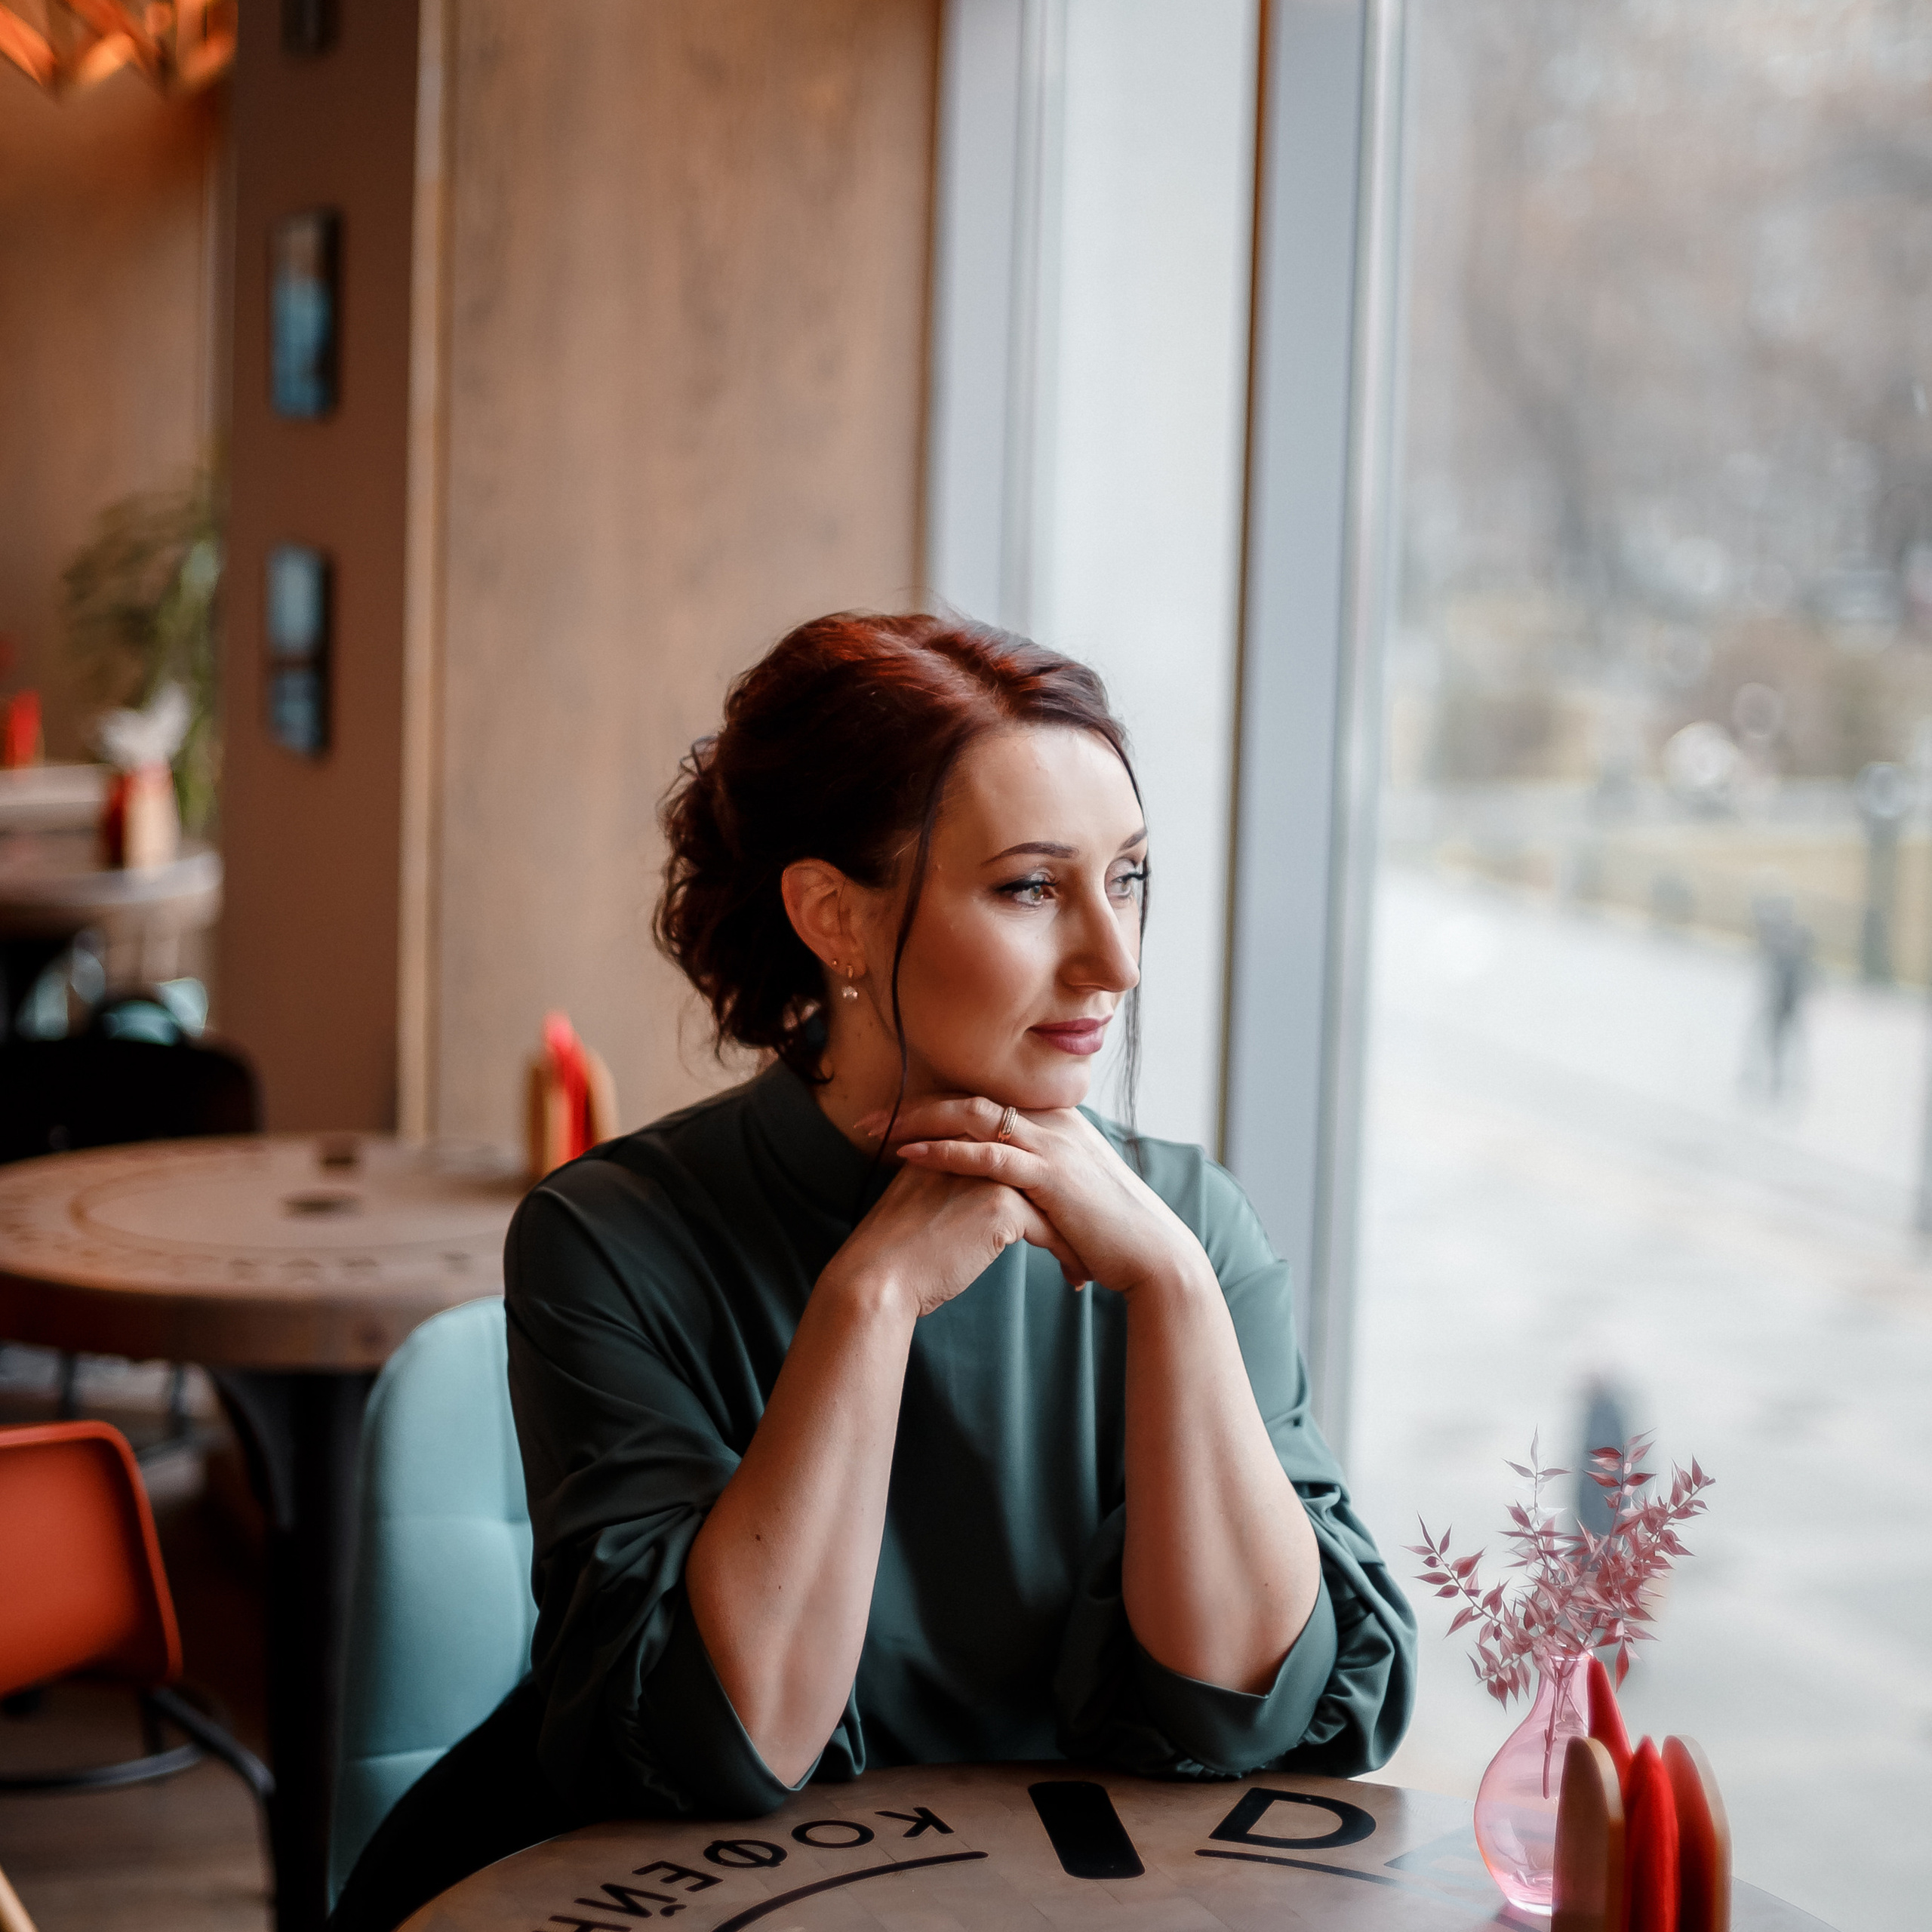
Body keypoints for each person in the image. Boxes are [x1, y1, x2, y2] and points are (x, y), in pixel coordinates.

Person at [330, 612, 1414, 1931]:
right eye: (1030, 887)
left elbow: (1247, 1709)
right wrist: (870, 1297)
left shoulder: (1185, 1224)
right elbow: (742, 1740)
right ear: (834, 917)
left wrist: (1178, 1298)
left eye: (1127, 878)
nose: (1115, 961)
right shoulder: (608, 1238)